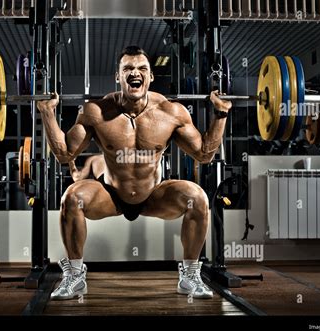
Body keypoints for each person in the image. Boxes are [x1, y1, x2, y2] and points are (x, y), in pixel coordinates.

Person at [37, 46, 231, 300]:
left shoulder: (171, 113)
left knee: (197, 198)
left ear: (150, 77)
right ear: (117, 77)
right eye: (127, 68)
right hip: (110, 194)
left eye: (142, 68)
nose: (134, 73)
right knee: (72, 197)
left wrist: (221, 113)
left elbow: (204, 154)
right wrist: (48, 113)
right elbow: (64, 154)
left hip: (153, 195)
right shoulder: (95, 112)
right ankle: (75, 276)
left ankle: (190, 276)